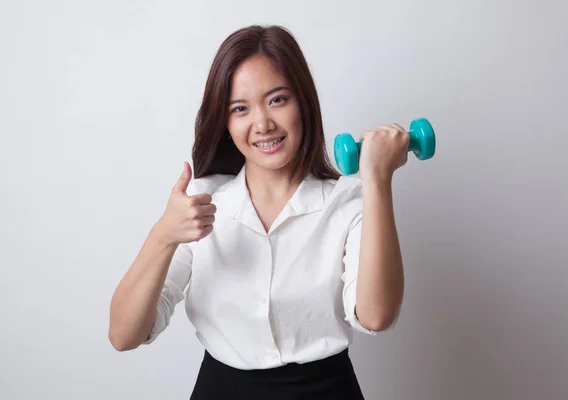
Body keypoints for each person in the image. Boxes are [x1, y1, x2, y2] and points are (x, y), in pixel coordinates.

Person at [109, 24, 408, 399]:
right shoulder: (201, 202)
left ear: (304, 102)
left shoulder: (347, 202)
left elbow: (376, 316)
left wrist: (377, 181)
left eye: (277, 99)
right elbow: (123, 335)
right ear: (226, 122)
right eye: (240, 108)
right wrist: (163, 235)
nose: (262, 123)